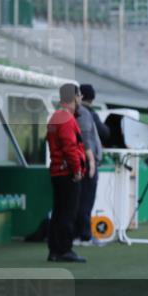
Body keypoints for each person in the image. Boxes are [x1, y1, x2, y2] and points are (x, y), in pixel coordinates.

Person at [46, 83, 87, 263]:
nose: (81, 100)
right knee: (67, 213)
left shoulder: (56, 116)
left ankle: (55, 250)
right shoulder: (67, 119)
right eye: (79, 96)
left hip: (58, 171)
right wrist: (77, 169)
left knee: (59, 212)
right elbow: (70, 147)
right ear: (74, 97)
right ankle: (64, 250)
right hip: (67, 173)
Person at [75, 84, 105, 243]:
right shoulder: (84, 114)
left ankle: (78, 234)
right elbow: (86, 138)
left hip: (76, 162)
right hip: (85, 162)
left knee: (78, 200)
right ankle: (84, 235)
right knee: (85, 200)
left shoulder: (67, 113)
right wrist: (92, 161)